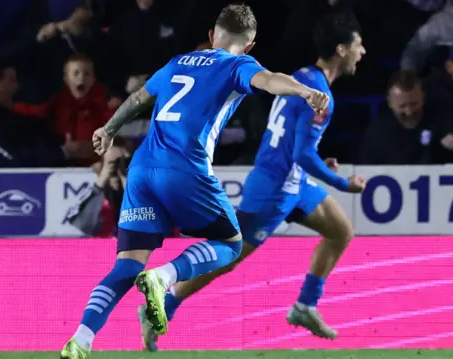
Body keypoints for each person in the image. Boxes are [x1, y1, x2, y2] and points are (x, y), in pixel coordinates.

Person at [60, 4, 330, 359]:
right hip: (184, 168)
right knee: (230, 243)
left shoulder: (179, 62)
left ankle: (80, 340)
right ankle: (166, 277)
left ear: (211, 35)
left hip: (142, 169)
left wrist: (109, 129)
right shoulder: (238, 65)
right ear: (249, 46)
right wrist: (303, 91)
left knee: (126, 265)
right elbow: (269, 80)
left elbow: (140, 97)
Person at [139, 12, 367, 352]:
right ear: (341, 49)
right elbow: (302, 154)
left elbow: (296, 146)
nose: (362, 51)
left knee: (341, 231)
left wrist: (318, 161)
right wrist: (342, 182)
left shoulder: (302, 77)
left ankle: (305, 305)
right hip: (273, 190)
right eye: (358, 45)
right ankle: (161, 306)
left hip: (294, 183)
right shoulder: (320, 95)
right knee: (227, 257)